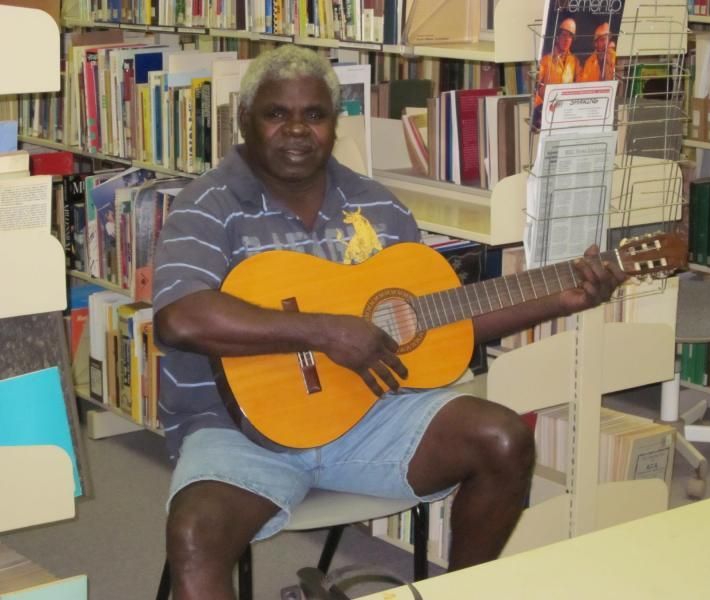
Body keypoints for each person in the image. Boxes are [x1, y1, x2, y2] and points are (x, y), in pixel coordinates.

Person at [153, 44, 627, 600]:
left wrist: (564, 298)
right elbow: (180, 320)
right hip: (236, 430)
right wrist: (324, 331)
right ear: (245, 121)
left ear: (335, 123)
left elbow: (437, 325)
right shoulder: (206, 205)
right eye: (277, 114)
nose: (297, 130)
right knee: (194, 531)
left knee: (501, 438)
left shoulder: (378, 207)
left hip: (369, 412)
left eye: (315, 115)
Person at [534, 17, 581, 107]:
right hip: (548, 109)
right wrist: (542, 104)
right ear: (557, 37)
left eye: (570, 36)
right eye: (564, 35)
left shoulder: (575, 61)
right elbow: (535, 89)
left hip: (567, 108)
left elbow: (581, 85)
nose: (567, 39)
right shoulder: (545, 60)